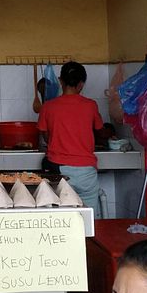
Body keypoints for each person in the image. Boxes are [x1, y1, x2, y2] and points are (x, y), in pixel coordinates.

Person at [37, 60, 105, 216]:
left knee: (63, 217)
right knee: (90, 216)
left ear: (61, 81)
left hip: (59, 172)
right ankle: (91, 240)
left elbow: (46, 137)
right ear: (81, 84)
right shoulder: (91, 105)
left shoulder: (48, 106)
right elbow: (100, 131)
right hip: (86, 172)